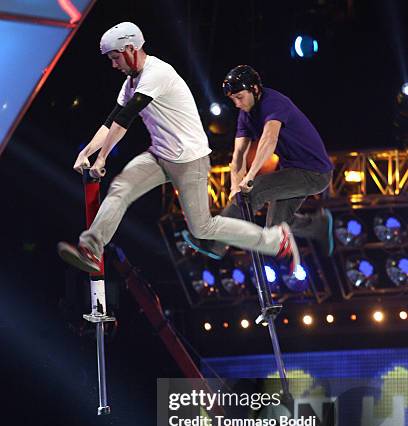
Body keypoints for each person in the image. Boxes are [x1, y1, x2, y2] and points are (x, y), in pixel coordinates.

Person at [57, 24, 299, 273]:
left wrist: (102, 158)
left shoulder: (157, 73)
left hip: (189, 160)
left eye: (115, 58)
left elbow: (126, 118)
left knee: (202, 228)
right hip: (160, 155)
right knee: (121, 187)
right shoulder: (130, 83)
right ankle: (91, 248)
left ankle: (275, 240)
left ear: (130, 49)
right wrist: (87, 152)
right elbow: (112, 121)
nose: (114, 65)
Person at [185, 64, 334, 260]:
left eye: (239, 97)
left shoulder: (274, 103)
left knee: (254, 191)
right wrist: (235, 186)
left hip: (314, 173)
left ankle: (214, 241)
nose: (237, 104)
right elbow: (238, 154)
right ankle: (317, 227)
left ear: (255, 89)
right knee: (275, 230)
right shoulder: (245, 115)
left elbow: (269, 140)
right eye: (233, 100)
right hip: (294, 172)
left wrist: (250, 177)